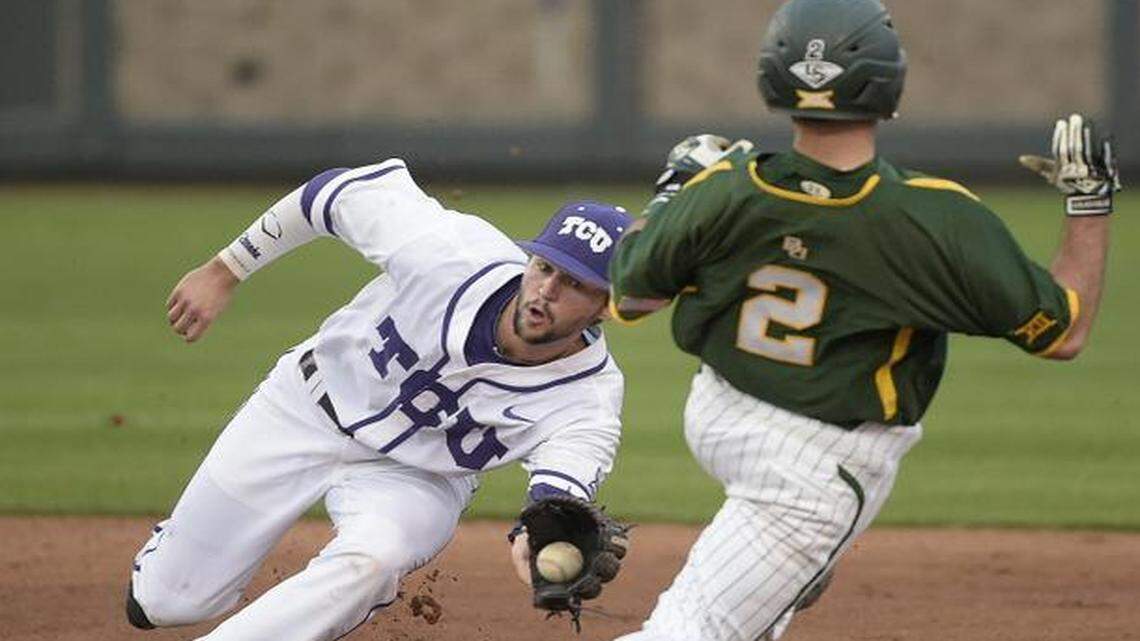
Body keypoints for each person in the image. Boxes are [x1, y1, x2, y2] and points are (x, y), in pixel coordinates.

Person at [607, 0, 1121, 640]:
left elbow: (631, 297)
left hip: (717, 414)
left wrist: (670, 198)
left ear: (773, 78)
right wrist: (1089, 201)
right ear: (888, 85)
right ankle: (802, 552)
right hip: (810, 475)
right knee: (690, 632)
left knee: (750, 615)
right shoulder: (932, 220)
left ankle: (793, 567)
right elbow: (1063, 333)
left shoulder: (725, 186)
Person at [126, 158, 634, 640]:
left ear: (604, 309)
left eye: (574, 284)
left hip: (417, 480)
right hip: (303, 409)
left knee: (376, 559)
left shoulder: (589, 399)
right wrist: (225, 269)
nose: (547, 290)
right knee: (167, 603)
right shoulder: (450, 253)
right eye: (544, 267)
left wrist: (540, 533)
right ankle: (169, 567)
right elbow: (334, 192)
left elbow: (558, 491)